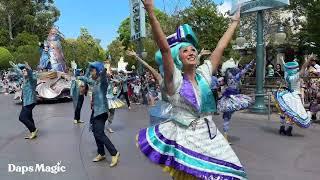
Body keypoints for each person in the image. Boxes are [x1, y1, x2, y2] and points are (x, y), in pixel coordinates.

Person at [137, 1, 246, 179]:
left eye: (193, 49)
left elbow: (220, 47)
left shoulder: (203, 74)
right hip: (186, 139)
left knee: (230, 174)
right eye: (185, 50)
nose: (191, 52)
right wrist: (150, 12)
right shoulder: (175, 80)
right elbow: (164, 49)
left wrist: (233, 23)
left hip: (209, 137)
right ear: (178, 58)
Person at [78, 61, 120, 167]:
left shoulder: (102, 82)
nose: (91, 71)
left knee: (99, 133)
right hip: (95, 111)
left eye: (93, 69)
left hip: (101, 112)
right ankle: (101, 153)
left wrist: (103, 69)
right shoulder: (95, 82)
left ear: (97, 71)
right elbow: (86, 78)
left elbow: (103, 75)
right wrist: (88, 69)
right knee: (95, 132)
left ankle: (114, 153)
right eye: (91, 70)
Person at [218, 59, 255, 142]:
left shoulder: (234, 76)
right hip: (229, 98)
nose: (229, 73)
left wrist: (250, 64)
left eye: (230, 71)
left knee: (227, 117)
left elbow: (243, 71)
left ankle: (225, 136)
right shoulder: (229, 77)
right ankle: (225, 136)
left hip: (233, 97)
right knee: (227, 117)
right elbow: (243, 71)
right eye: (229, 72)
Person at [274, 56, 312, 136]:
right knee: (293, 113)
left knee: (284, 112)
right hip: (294, 96)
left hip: (285, 94)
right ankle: (289, 129)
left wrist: (282, 60)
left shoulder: (287, 74)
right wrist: (308, 59)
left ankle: (282, 127)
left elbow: (285, 67)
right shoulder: (296, 76)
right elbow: (304, 67)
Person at [11, 61, 38, 140]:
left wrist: (28, 69)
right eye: (22, 71)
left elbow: (30, 75)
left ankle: (33, 130)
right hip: (26, 101)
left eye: (24, 70)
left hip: (30, 102)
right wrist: (15, 66)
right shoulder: (25, 80)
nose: (23, 72)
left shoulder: (32, 79)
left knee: (22, 117)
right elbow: (19, 72)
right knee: (29, 117)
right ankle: (33, 130)